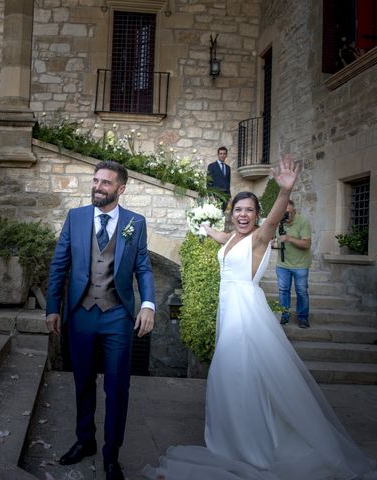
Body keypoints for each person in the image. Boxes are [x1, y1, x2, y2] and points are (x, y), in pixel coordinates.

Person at [143, 156, 376, 480]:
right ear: (232, 213)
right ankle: (235, 441)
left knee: (236, 373)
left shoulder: (259, 237)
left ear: (257, 215)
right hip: (229, 310)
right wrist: (202, 224)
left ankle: (253, 447)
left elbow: (274, 218)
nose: (242, 214)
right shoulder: (233, 238)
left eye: (249, 210)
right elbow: (219, 239)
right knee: (230, 378)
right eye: (238, 209)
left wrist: (284, 192)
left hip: (244, 313)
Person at [45, 160, 156, 480]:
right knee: (82, 383)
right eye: (95, 181)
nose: (97, 187)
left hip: (117, 317)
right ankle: (85, 441)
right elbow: (59, 264)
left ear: (120, 189)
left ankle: (111, 455)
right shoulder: (75, 217)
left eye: (105, 183)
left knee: (118, 387)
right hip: (80, 314)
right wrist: (53, 307)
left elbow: (144, 268)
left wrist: (147, 303)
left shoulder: (136, 222)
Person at [275, 199, 312, 328]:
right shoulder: (278, 221)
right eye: (282, 212)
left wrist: (289, 238)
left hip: (300, 264)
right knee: (283, 290)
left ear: (294, 212)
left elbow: (307, 244)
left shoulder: (302, 222)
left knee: (301, 291)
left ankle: (303, 317)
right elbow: (273, 239)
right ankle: (284, 315)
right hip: (282, 264)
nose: (284, 215)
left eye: (287, 213)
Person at [206, 146, 231, 211]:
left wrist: (229, 196)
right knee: (215, 213)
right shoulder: (211, 166)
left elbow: (228, 182)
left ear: (226, 155)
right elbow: (208, 181)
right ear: (218, 155)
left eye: (224, 153)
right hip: (215, 195)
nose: (222, 155)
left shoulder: (228, 168)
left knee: (222, 214)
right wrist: (210, 195)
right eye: (221, 153)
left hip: (225, 196)